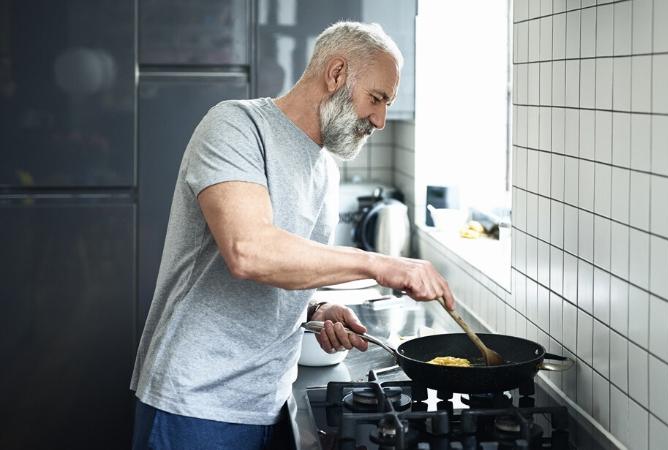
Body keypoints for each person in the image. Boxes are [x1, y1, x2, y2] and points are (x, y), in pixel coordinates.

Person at [130, 22, 456, 450]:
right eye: (376, 99)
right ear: (337, 74)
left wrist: (317, 307)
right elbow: (250, 252)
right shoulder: (236, 126)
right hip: (196, 402)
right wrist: (380, 264)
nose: (379, 119)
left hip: (270, 401)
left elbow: (288, 268)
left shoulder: (325, 169)